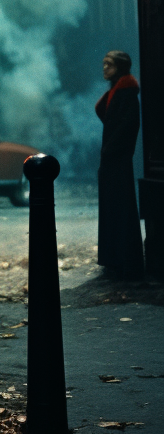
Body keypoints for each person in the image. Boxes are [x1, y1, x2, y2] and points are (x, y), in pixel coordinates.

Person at [96, 49, 144, 278]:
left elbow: (128, 126)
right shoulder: (117, 91)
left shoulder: (126, 93)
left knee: (120, 206)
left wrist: (110, 149)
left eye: (109, 65)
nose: (105, 68)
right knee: (112, 206)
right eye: (104, 64)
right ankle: (114, 258)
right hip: (112, 158)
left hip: (117, 159)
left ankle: (125, 260)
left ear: (120, 68)